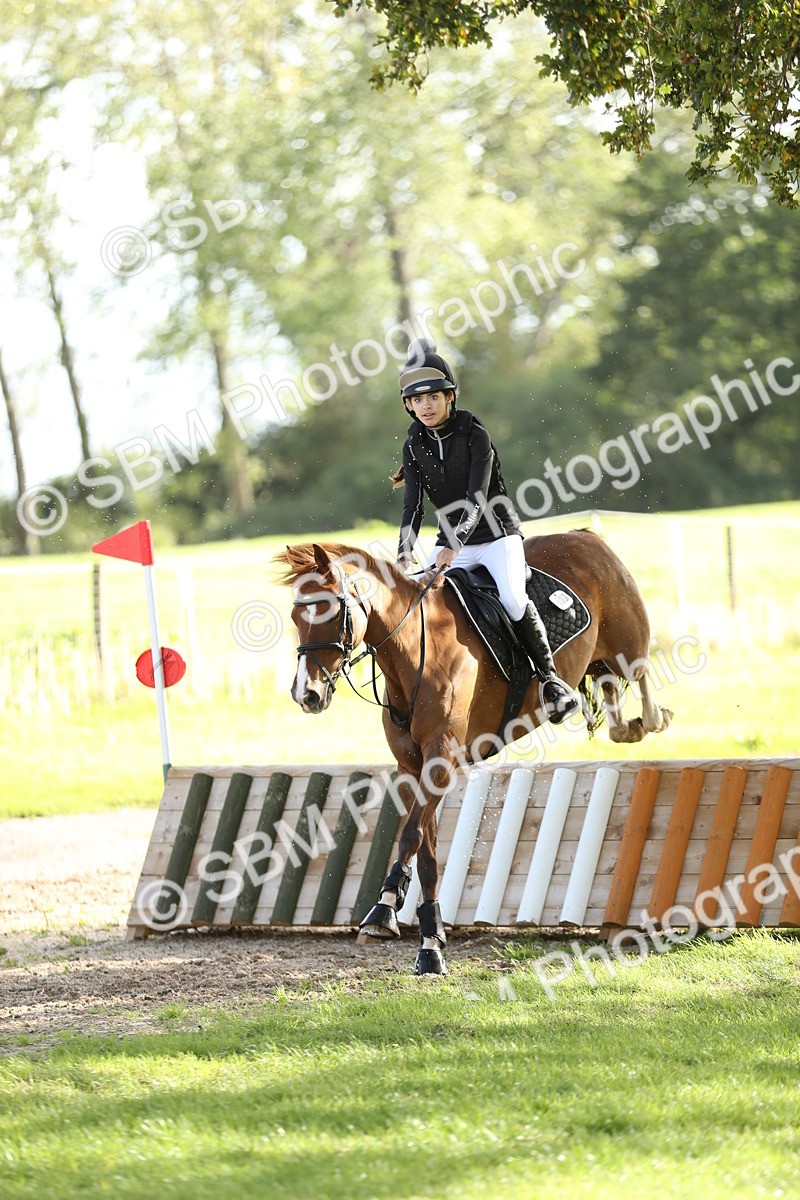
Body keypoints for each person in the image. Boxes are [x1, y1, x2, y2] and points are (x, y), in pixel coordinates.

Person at [392, 338, 578, 724]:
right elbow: (414, 507)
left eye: (433, 397)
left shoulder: (475, 434)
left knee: (512, 599)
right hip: (452, 542)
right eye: (417, 400)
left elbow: (476, 498)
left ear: (450, 397)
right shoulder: (413, 445)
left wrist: (452, 545)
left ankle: (551, 681)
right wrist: (404, 552)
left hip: (496, 535)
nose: (426, 406)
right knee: (417, 603)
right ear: (409, 406)